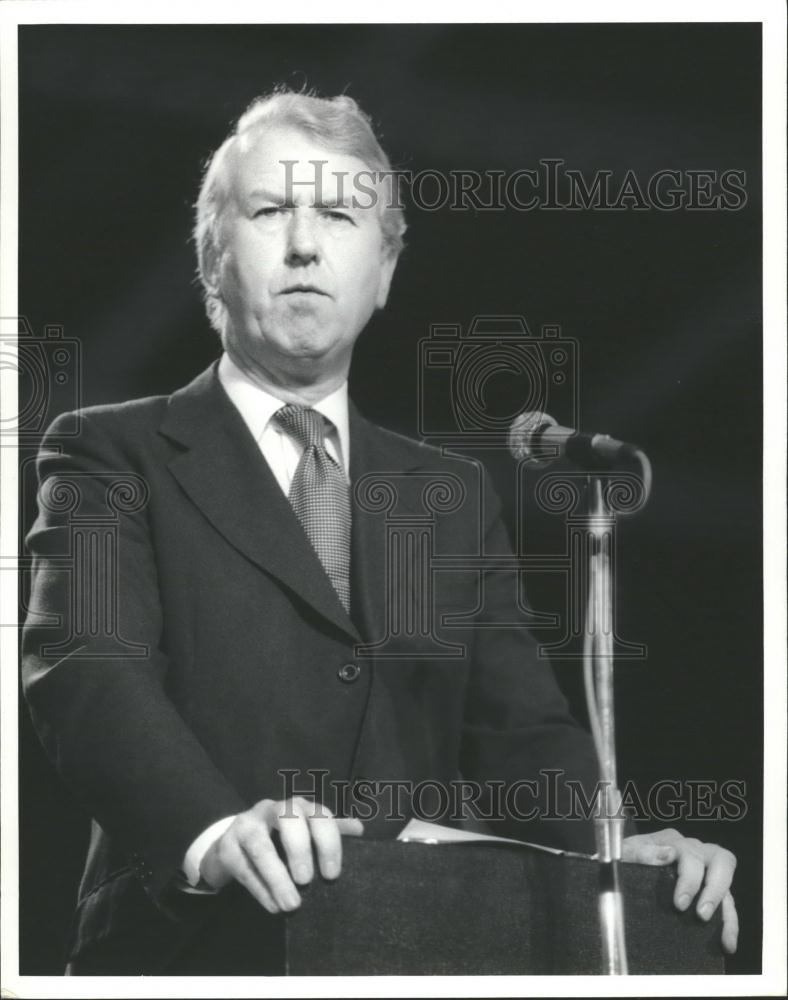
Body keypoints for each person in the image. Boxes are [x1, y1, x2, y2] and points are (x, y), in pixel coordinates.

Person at [21, 88, 738, 975]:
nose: (304, 244)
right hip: (185, 948)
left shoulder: (451, 494)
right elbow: (88, 668)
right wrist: (216, 832)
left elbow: (520, 732)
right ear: (212, 261)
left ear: (386, 269)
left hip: (412, 949)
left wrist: (617, 849)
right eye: (271, 211)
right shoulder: (106, 450)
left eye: (339, 215)